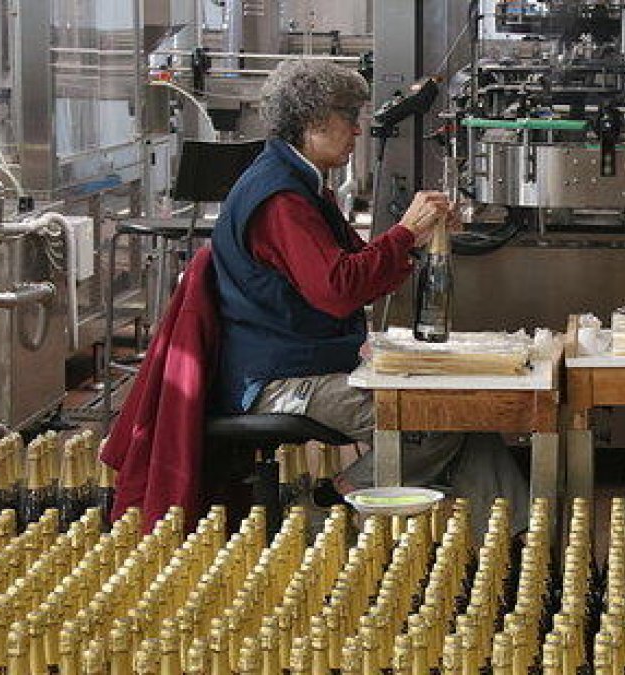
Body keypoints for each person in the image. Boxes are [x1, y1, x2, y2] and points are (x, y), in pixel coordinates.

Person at [209, 59, 528, 533]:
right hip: (279, 379)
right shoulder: (281, 199)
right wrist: (403, 232)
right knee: (435, 416)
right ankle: (331, 506)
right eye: (348, 116)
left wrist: (417, 238)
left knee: (468, 412)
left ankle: (517, 547)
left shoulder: (305, 186)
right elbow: (339, 290)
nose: (357, 129)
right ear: (313, 118)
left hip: (310, 360)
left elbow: (361, 268)